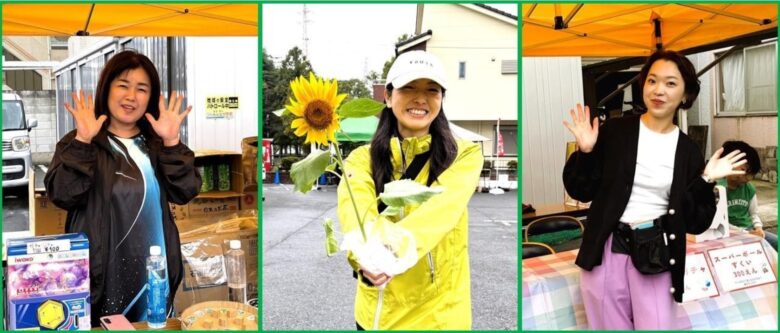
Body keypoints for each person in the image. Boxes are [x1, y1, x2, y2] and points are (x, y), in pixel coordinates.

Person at [562, 50, 747, 329]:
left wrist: (707, 180)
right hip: (606, 249)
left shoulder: (688, 151)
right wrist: (586, 152)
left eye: (671, 83)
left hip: (657, 250)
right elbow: (580, 190)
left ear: (686, 94)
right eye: (652, 81)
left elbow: (696, 222)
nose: (658, 90)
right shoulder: (615, 132)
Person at [44, 50, 201, 327]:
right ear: (106, 88)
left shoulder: (156, 143)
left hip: (153, 278)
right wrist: (82, 141)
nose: (131, 96)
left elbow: (186, 191)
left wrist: (172, 143)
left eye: (142, 89)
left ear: (150, 98)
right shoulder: (79, 141)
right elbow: (62, 194)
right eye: (123, 85)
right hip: (99, 278)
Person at [337, 50, 483, 329]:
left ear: (441, 99)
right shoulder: (361, 159)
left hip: (439, 316)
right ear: (388, 97)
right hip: (376, 314)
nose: (420, 98)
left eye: (432, 90)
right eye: (408, 88)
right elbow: (354, 214)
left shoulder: (464, 155)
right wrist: (362, 258)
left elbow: (439, 212)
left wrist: (383, 256)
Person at [718, 140, 778, 248]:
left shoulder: (749, 188)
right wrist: (744, 233)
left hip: (750, 230)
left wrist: (758, 228)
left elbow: (754, 214)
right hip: (728, 234)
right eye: (744, 170)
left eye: (752, 174)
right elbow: (719, 222)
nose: (749, 178)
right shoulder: (718, 189)